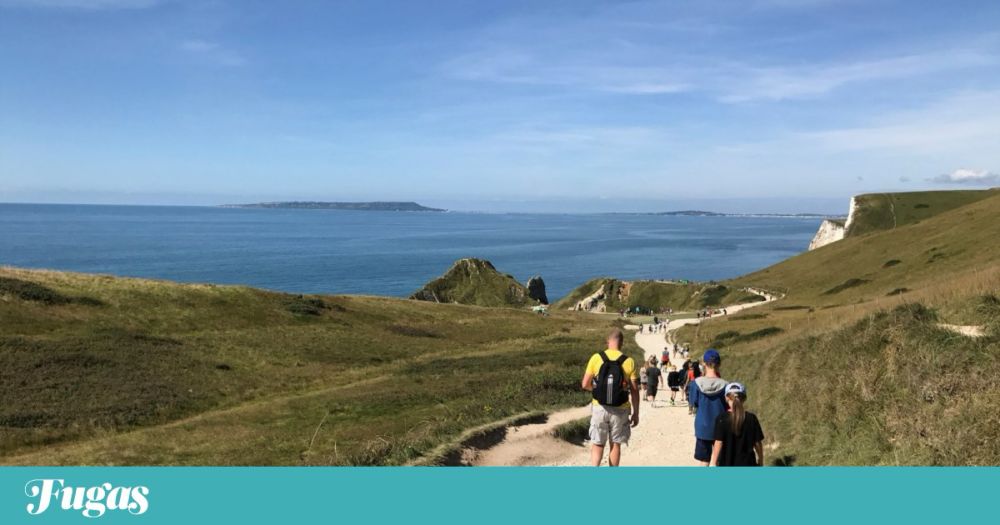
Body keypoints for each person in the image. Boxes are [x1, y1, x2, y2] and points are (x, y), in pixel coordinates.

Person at [580, 329, 640, 467]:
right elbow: (635, 391)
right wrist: (636, 413)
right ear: (622, 343)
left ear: (608, 341)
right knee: (615, 444)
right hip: (620, 408)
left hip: (599, 406)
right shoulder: (628, 361)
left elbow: (585, 384)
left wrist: (598, 391)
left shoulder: (596, 357)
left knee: (598, 443)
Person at [687, 349, 728, 466]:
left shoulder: (696, 383)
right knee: (719, 461)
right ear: (719, 364)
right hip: (721, 428)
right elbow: (728, 406)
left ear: (703, 364)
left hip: (702, 426)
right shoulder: (725, 384)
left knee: (704, 461)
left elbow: (693, 403)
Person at [710, 382, 764, 467]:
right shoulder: (751, 418)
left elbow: (718, 442)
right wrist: (761, 461)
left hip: (726, 464)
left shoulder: (721, 419)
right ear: (744, 398)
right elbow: (757, 443)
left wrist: (713, 462)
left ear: (726, 398)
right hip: (748, 464)